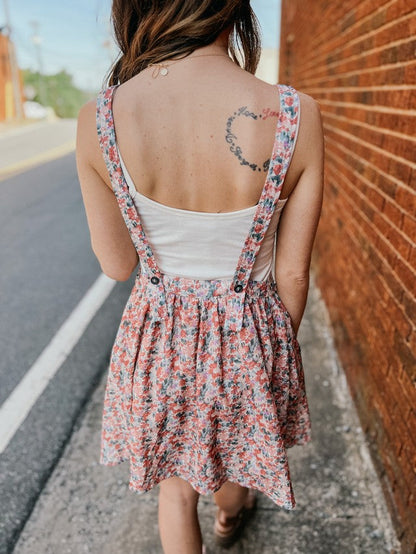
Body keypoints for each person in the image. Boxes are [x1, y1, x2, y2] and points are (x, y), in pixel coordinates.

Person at [76, 1, 324, 552]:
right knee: (241, 457)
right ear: (234, 12)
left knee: (175, 493)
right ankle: (231, 519)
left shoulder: (100, 118)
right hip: (251, 327)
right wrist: (273, 350)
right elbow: (294, 272)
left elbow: (117, 265)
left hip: (160, 332)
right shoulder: (293, 113)